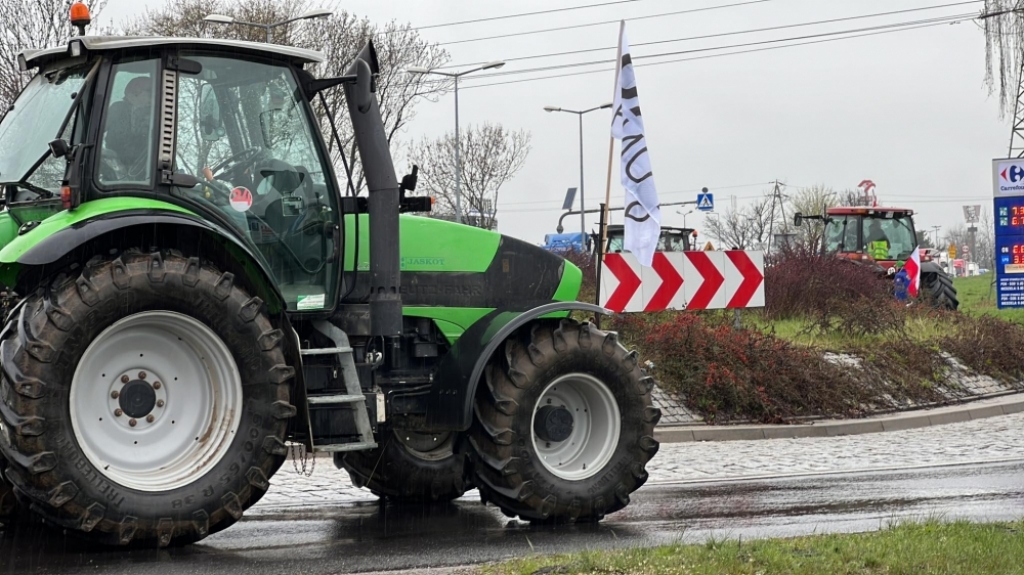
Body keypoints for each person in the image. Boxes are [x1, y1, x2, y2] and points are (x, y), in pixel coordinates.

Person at [104, 76, 153, 177]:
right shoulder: (117, 109)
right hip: (116, 173)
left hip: (146, 173)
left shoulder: (155, 116)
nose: (154, 96)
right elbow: (95, 134)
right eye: (150, 91)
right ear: (133, 94)